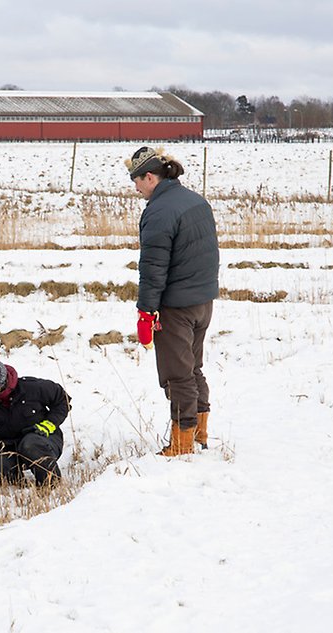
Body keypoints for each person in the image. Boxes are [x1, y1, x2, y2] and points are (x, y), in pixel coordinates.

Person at [125, 146, 220, 456]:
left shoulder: (159, 211)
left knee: (177, 375)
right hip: (203, 302)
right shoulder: (196, 201)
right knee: (193, 368)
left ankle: (181, 444)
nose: (135, 188)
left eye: (136, 181)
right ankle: (200, 431)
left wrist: (145, 312)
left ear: (150, 177)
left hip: (176, 307)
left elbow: (152, 269)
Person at [0, 358, 70, 494]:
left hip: (43, 441)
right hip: (11, 448)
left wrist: (49, 424)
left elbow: (63, 400)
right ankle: (20, 490)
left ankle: (50, 486)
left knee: (30, 444)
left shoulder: (32, 388)